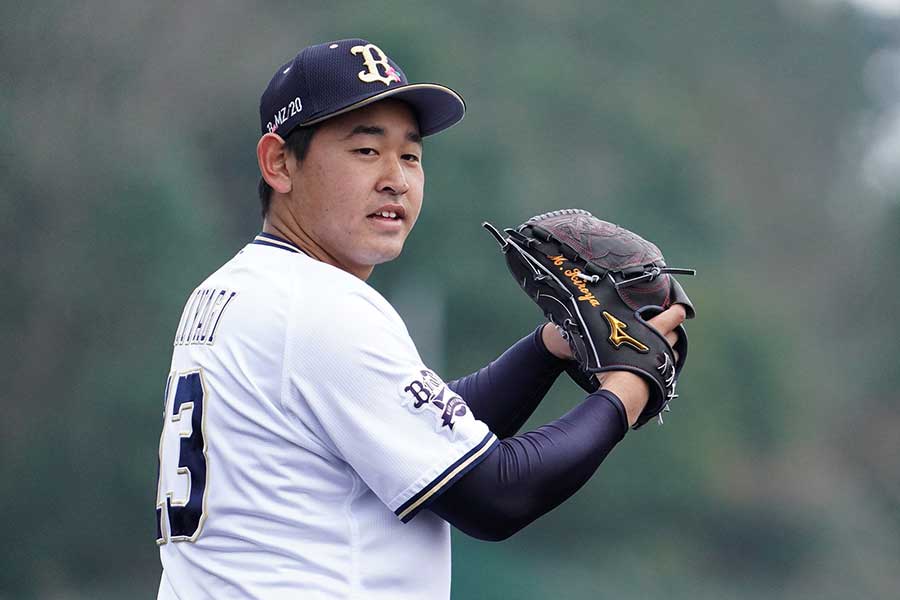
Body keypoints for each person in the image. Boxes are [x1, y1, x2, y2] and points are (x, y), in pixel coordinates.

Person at [153, 38, 688, 600]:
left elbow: (419, 429)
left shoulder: (230, 290)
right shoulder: (321, 308)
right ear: (279, 163)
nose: (396, 179)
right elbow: (495, 496)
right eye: (365, 151)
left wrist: (547, 349)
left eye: (410, 155)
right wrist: (628, 389)